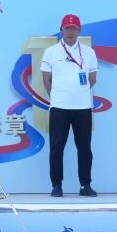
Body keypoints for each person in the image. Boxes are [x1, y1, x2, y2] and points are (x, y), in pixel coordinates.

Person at [41, 13, 98, 197]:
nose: (71, 32)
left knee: (85, 148)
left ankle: (85, 185)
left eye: (74, 28)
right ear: (61, 30)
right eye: (67, 28)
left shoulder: (88, 52)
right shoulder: (51, 52)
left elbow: (92, 78)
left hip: (83, 107)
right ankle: (56, 185)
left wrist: (80, 93)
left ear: (79, 30)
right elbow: (46, 79)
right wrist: (57, 96)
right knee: (57, 148)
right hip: (59, 107)